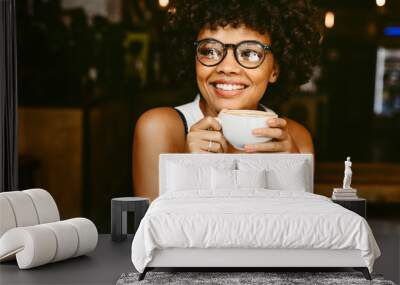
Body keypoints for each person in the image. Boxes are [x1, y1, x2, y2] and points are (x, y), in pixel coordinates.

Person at [133, 0, 323, 201]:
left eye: (250, 53)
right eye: (210, 51)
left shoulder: (296, 140)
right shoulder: (159, 128)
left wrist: (290, 174)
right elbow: (151, 230)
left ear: (275, 69)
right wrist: (187, 170)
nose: (227, 67)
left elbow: (299, 229)